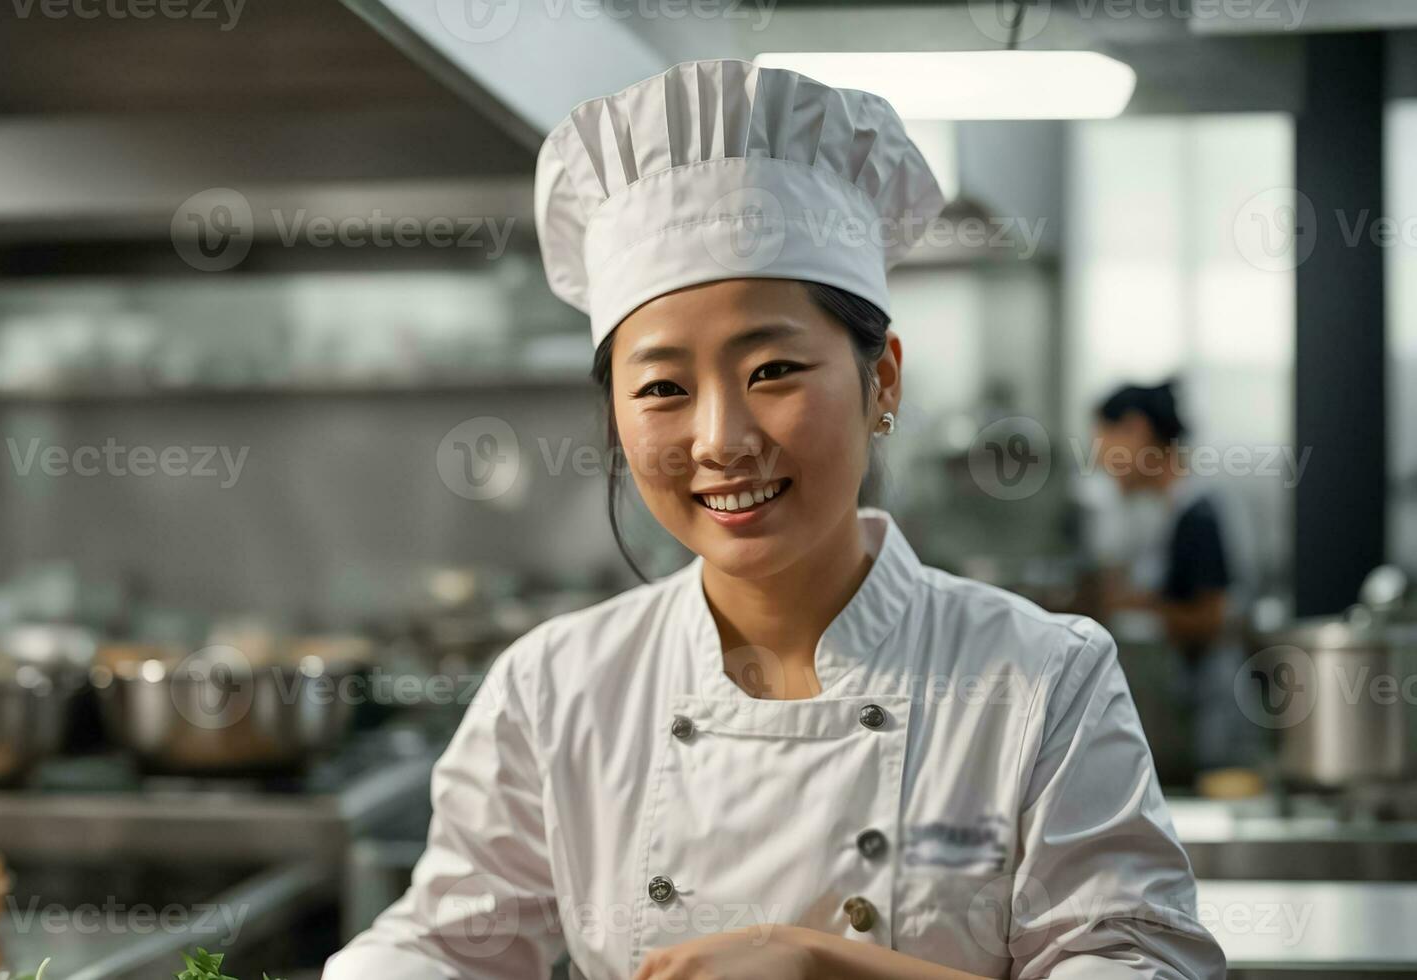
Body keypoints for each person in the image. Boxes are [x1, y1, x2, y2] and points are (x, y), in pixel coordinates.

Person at [325, 61, 1224, 980]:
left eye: (773, 372)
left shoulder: (1042, 679)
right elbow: (440, 945)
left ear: (882, 382)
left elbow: (1137, 964)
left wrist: (830, 970)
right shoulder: (554, 689)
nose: (720, 441)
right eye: (663, 389)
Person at [1092, 381, 1259, 777]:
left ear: (1135, 430)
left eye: (1101, 439)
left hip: (1217, 733)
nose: (1098, 458)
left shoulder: (1199, 513)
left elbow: (1211, 620)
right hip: (1194, 727)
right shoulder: (1173, 513)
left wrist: (1138, 610)